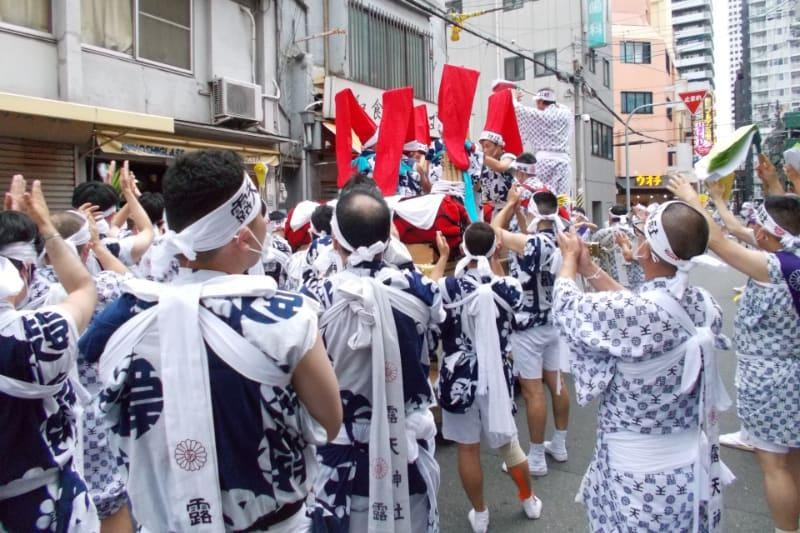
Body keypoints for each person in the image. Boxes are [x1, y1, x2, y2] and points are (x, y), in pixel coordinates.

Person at [79, 150, 342, 532]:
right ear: (243, 237)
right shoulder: (289, 318)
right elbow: (328, 423)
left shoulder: (120, 320)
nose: (267, 222)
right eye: (260, 212)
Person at [552, 200, 733, 532]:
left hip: (637, 474)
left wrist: (568, 260)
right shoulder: (707, 306)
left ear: (648, 250)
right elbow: (641, 310)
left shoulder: (637, 314)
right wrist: (590, 269)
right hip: (691, 465)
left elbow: (566, 308)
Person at [303, 185, 443, 533]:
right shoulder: (422, 291)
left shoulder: (314, 298)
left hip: (339, 457)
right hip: (406, 448)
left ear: (335, 241)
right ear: (389, 236)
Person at [668, 176, 800, 533]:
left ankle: (786, 529)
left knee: (775, 467)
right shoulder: (791, 255)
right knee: (792, 458)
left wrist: (693, 199)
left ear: (768, 232)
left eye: (757, 225)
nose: (751, 229)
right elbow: (736, 231)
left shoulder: (776, 268)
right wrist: (718, 201)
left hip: (772, 380)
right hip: (792, 372)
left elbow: (720, 242)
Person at [1, 176, 99, 532]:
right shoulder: (40, 335)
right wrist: (44, 227)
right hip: (42, 503)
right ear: (27, 268)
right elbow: (84, 286)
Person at [435, 221, 542, 532]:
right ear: (497, 249)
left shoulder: (447, 288)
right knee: (509, 444)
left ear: (462, 248)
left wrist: (444, 257)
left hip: (459, 377)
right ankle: (528, 499)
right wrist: (494, 261)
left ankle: (480, 513)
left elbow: (428, 293)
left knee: (467, 448)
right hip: (497, 376)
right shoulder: (508, 288)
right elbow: (515, 308)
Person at [492, 185, 570, 476]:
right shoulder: (563, 237)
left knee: (533, 391)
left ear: (534, 212)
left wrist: (509, 205)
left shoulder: (532, 244)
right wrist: (521, 214)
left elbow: (493, 232)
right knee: (557, 382)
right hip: (553, 321)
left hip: (527, 326)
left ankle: (536, 458)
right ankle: (559, 444)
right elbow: (529, 239)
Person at [513, 88, 573, 196]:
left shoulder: (538, 115)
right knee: (562, 198)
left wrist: (515, 98)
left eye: (537, 102)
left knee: (541, 196)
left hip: (543, 163)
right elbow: (564, 107)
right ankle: (563, 208)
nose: (536, 105)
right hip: (563, 162)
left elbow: (517, 109)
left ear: (541, 101)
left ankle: (540, 206)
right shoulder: (566, 113)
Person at [592, 205, 644, 289]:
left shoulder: (600, 235)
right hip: (635, 283)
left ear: (610, 218)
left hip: (608, 283)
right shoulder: (637, 234)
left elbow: (591, 255)